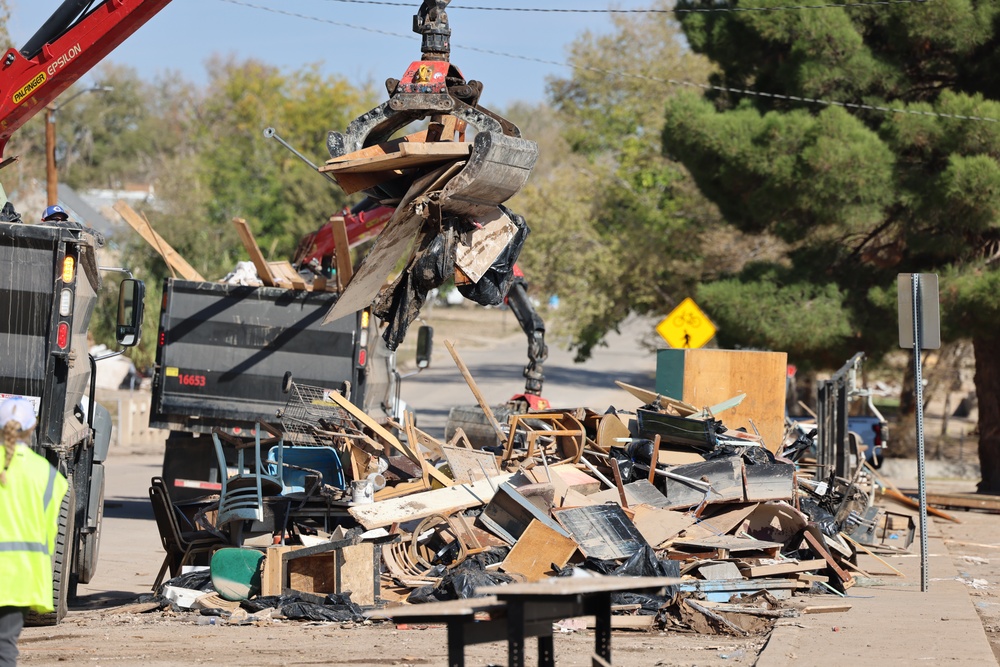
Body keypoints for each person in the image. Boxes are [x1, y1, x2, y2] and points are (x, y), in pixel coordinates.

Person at [0, 397, 68, 666]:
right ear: (33, 428)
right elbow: (48, 531)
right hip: (20, 579)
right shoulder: (50, 476)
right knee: (4, 647)